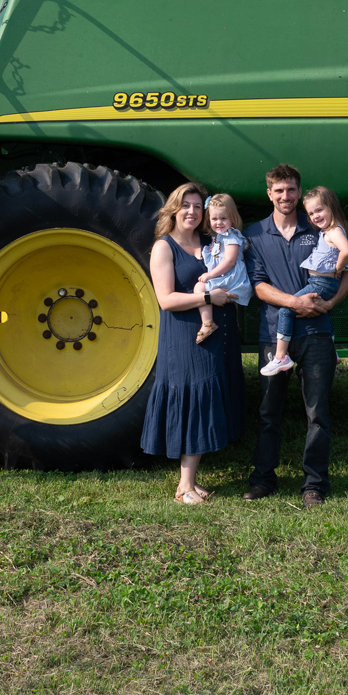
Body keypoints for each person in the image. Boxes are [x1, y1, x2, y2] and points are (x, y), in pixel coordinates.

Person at [242, 164, 348, 506]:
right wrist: (294, 302)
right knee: (267, 413)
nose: (286, 196)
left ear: (299, 191)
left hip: (317, 333)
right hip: (275, 335)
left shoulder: (318, 225)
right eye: (279, 190)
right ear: (269, 194)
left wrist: (331, 302)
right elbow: (258, 286)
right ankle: (263, 480)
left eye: (291, 189)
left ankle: (314, 485)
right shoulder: (256, 234)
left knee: (317, 414)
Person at [141, 182, 242, 504]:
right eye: (186, 205)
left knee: (208, 399)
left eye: (198, 207)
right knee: (194, 400)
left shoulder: (210, 240)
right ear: (174, 208)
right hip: (185, 336)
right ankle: (185, 486)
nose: (192, 212)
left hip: (218, 335)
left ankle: (191, 481)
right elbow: (166, 299)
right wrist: (210, 295)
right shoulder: (164, 247)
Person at [259, 185, 348, 377]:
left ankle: (280, 357)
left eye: (319, 210)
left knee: (286, 311)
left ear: (331, 207)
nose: (315, 216)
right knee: (320, 310)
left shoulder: (333, 231)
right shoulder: (327, 231)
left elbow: (347, 252)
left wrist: (338, 268)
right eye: (311, 213)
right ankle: (332, 352)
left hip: (321, 283)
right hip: (323, 283)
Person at [195, 192, 251, 344]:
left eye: (223, 218)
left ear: (232, 218)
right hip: (227, 277)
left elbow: (230, 261)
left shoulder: (231, 236)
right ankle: (236, 325)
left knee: (199, 287)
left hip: (231, 278)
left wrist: (210, 275)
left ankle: (207, 322)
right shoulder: (219, 237)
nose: (218, 222)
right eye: (214, 219)